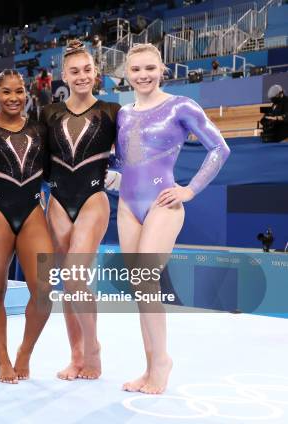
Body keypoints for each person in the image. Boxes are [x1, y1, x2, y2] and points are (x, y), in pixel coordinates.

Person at [116, 43, 230, 394]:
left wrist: (190, 190)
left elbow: (219, 148)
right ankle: (150, 365)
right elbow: (123, 162)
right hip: (126, 206)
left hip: (164, 202)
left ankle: (162, 361)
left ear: (162, 68)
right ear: (127, 75)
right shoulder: (123, 113)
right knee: (139, 287)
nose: (143, 75)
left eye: (150, 68)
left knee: (146, 280)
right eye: (136, 70)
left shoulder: (181, 106)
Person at [0, 69, 53, 384]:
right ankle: (2, 359)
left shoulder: (41, 131)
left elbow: (55, 171)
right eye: (6, 92)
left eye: (19, 91)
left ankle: (24, 352)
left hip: (32, 211)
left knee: (44, 291)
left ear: (27, 93)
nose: (13, 98)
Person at [41, 40, 120, 381]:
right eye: (75, 71)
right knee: (66, 284)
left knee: (74, 276)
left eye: (87, 70)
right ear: (64, 76)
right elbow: (37, 159)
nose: (82, 76)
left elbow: (138, 151)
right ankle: (75, 356)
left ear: (96, 72)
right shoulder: (48, 114)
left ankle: (93, 350)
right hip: (57, 200)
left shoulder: (113, 112)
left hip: (92, 197)